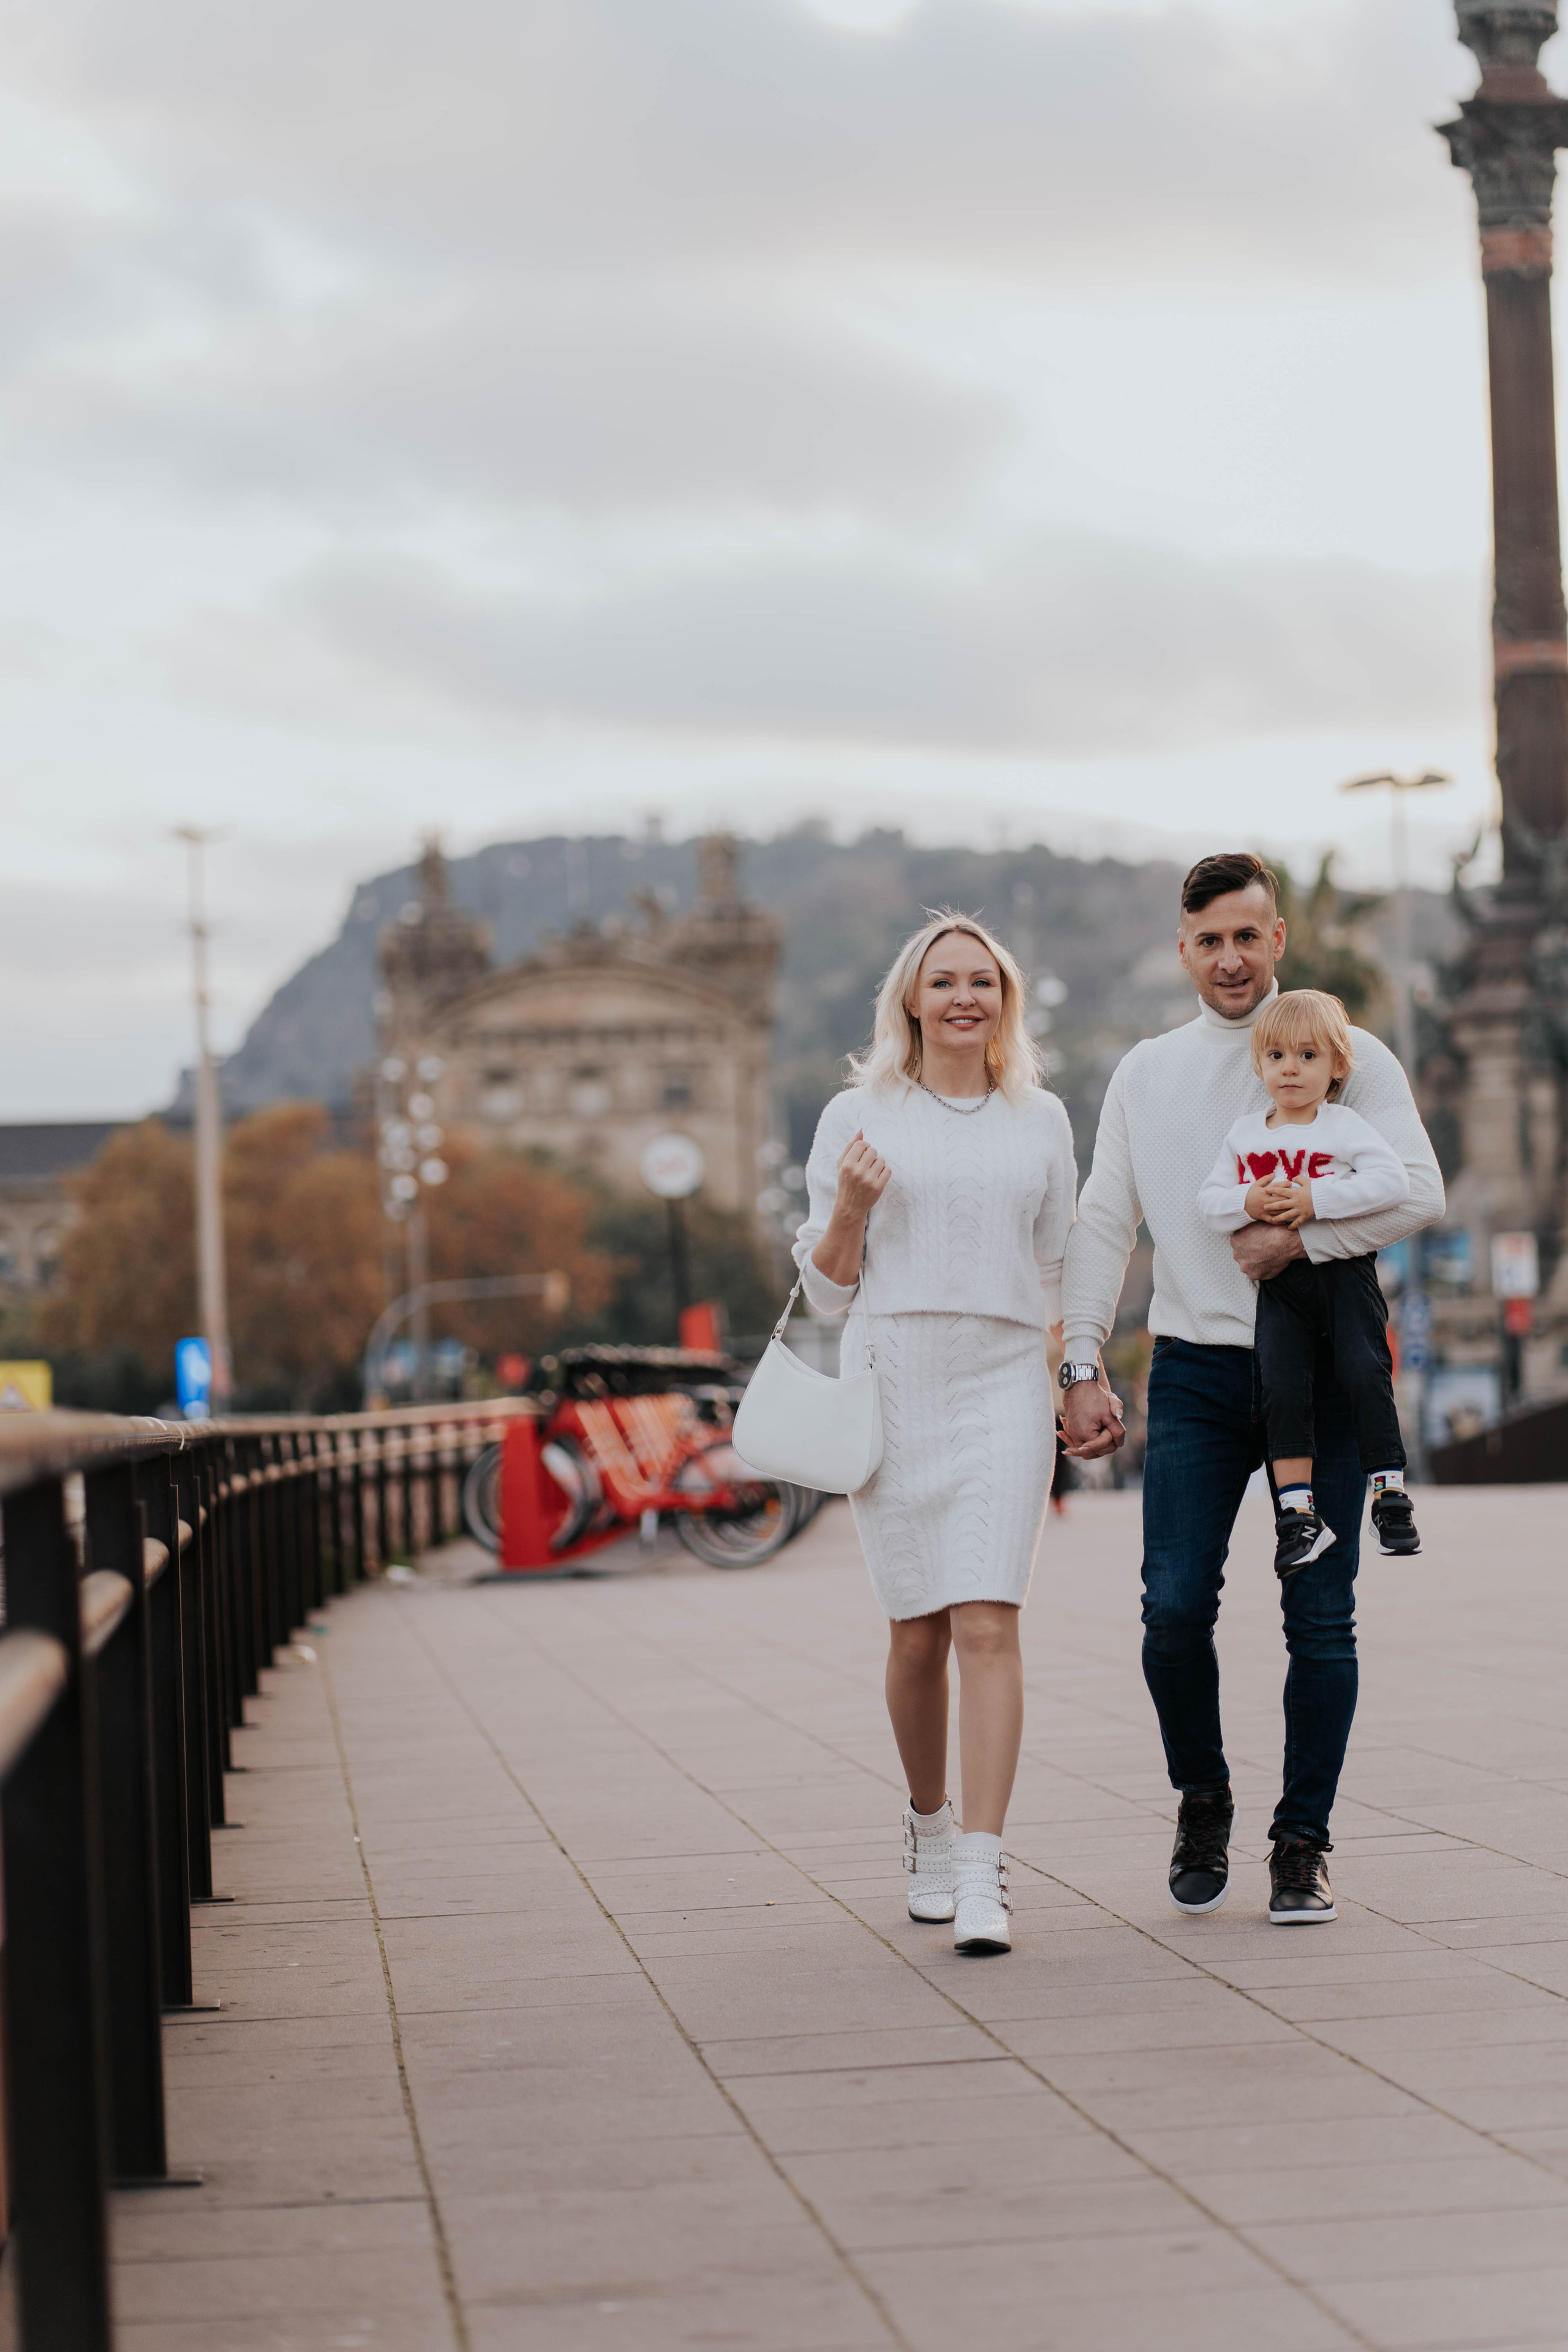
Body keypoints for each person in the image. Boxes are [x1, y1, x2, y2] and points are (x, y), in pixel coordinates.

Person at [1060, 854, 1442, 1926]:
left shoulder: (1344, 1052)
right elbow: (1103, 1221)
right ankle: (1204, 1796)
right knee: (1174, 1609)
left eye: (1248, 937)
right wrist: (1082, 1362)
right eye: (1209, 940)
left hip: (1314, 1381)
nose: (1230, 958)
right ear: (1184, 950)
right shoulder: (1147, 1072)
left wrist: (1299, 1237)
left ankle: (1302, 1843)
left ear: (1278, 940)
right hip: (1191, 1372)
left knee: (1321, 1619)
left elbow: (1418, 1189)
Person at [795, 913, 1078, 1955]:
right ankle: (926, 1825)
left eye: (984, 981)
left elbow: (1054, 1267)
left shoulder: (1039, 1118)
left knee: (989, 1623)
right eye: (944, 980)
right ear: (911, 1000)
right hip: (896, 1373)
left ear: (1005, 1001)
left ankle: (981, 1869)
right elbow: (824, 1296)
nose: (965, 996)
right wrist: (853, 1211)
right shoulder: (854, 1116)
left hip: (1006, 1376)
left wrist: (1076, 1375)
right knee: (918, 1633)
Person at [1198, 988, 1422, 1575]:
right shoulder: (1247, 1136)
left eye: (1306, 1056)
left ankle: (1389, 1493)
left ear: (1336, 1067)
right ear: (1259, 1065)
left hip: (1344, 1277)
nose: (1290, 1069)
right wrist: (1247, 1198)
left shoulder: (1343, 1126)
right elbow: (1210, 1204)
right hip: (1283, 1290)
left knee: (1364, 1370)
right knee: (1282, 1390)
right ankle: (1297, 1516)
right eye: (1276, 1057)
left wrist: (1316, 1198)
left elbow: (1394, 1183)